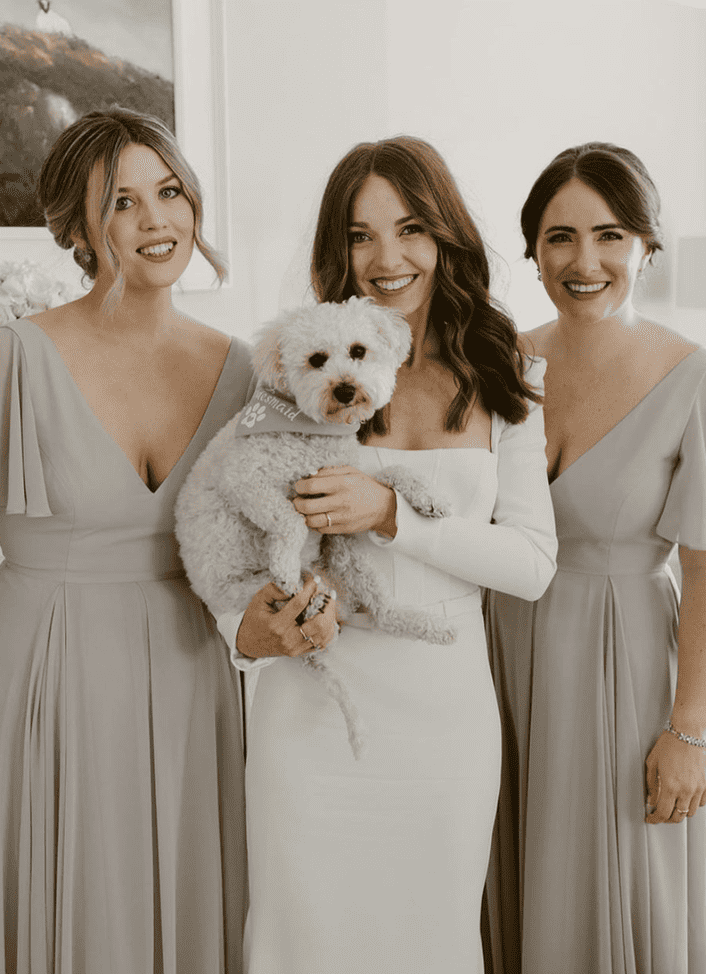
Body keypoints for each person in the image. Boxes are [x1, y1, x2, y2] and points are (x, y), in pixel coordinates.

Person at [222, 136, 557, 974]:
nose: (385, 258)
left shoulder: (506, 372)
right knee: (298, 940)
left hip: (445, 719)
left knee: (430, 941)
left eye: (409, 228)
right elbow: (227, 526)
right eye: (359, 235)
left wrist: (391, 515)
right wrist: (244, 627)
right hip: (312, 708)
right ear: (336, 250)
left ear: (446, 235)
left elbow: (532, 562)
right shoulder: (291, 371)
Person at [0, 108, 253, 973]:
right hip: (43, 675)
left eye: (169, 192)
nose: (156, 220)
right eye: (123, 203)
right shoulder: (12, 355)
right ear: (78, 228)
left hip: (195, 679)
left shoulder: (241, 367)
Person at [483, 143, 706, 974]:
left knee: (618, 880)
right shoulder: (499, 355)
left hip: (624, 658)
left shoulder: (692, 376)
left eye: (610, 235)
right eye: (559, 237)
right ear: (533, 250)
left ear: (646, 246)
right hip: (499, 650)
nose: (584, 262)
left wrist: (690, 730)